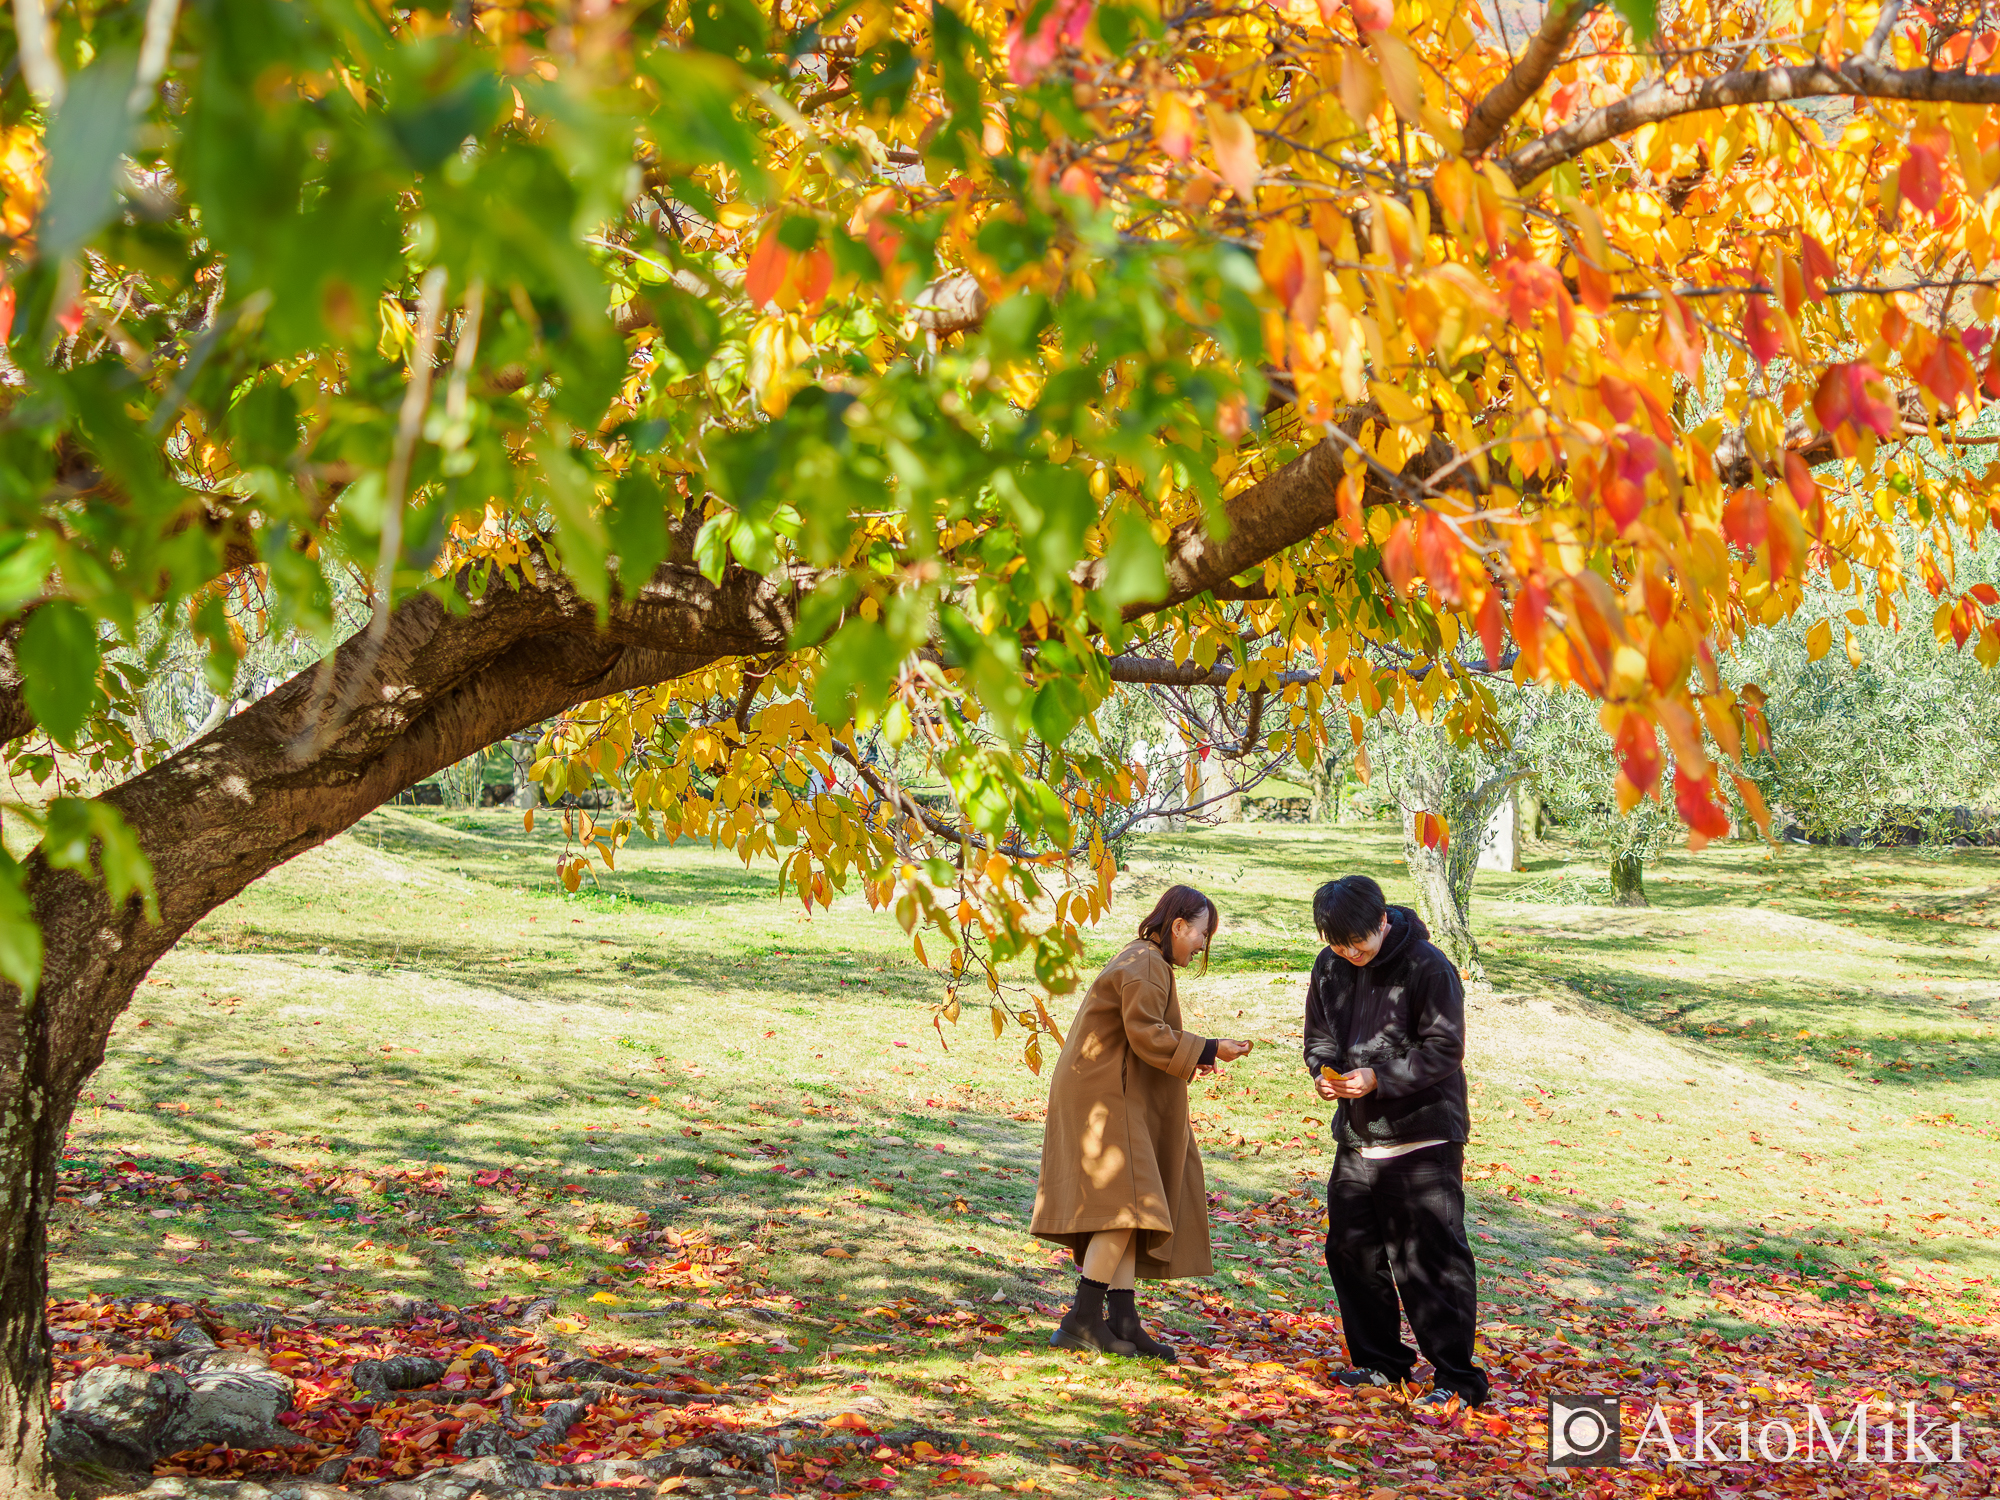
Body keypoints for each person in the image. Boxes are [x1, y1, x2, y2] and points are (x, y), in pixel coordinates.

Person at [1030, 885, 1254, 1359]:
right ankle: (1082, 1318)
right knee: (1128, 1206)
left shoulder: (1141, 959)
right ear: (1179, 926)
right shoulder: (1147, 963)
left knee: (1129, 1208)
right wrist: (1210, 1048)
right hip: (1106, 1095)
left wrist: (1195, 1052)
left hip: (1107, 1090)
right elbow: (1146, 1031)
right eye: (1202, 933)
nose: (1203, 944)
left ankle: (1124, 1321)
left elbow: (1143, 1032)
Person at [1302, 874, 1489, 1410]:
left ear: (1382, 921)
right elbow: (1319, 1036)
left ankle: (1457, 1378)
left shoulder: (1428, 966)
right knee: (1351, 1251)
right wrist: (1324, 1072)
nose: (1351, 954)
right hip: (1357, 1136)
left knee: (1429, 1259)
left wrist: (1379, 1078)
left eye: (1358, 944)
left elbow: (1444, 1047)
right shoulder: (1330, 966)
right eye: (1340, 945)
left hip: (1423, 1134)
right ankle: (1381, 1362)